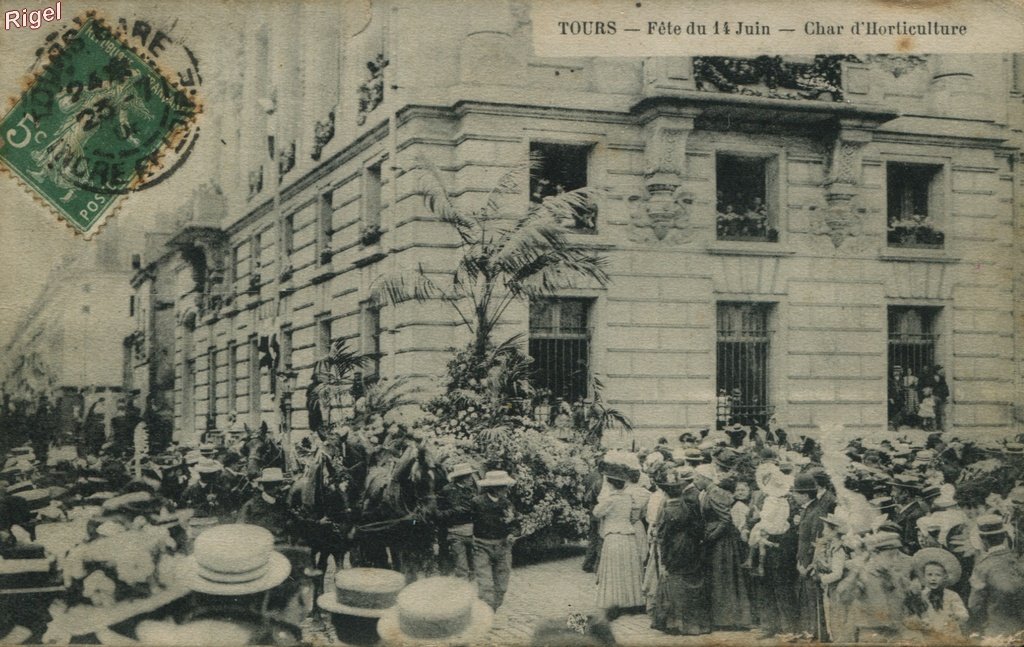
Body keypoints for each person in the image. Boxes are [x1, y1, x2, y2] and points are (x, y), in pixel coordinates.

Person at [651, 466, 710, 636]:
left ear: (666, 493)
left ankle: (677, 623)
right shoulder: (690, 506)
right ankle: (697, 623)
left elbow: (664, 537)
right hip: (690, 545)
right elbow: (699, 527)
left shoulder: (668, 511)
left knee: (675, 581)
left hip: (675, 548)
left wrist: (663, 560)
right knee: (692, 580)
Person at [593, 466, 644, 618]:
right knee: (628, 568)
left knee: (614, 568)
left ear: (611, 484)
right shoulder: (628, 497)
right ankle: (631, 601)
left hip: (614, 535)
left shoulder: (610, 499)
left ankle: (615, 602)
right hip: (628, 534)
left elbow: (596, 512)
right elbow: (636, 510)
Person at [703, 476, 752, 630]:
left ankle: (728, 618)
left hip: (724, 542)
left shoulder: (721, 497)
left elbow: (725, 519)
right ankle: (726, 617)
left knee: (725, 577)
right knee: (725, 577)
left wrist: (712, 535)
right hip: (724, 541)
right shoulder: (719, 495)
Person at [794, 470, 836, 641]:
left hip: (810, 562)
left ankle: (821, 634)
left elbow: (815, 540)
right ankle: (815, 631)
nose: (794, 496)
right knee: (808, 598)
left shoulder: (816, 511)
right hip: (803, 559)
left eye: (796, 493)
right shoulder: (808, 509)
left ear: (804, 495)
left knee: (815, 598)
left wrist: (809, 564)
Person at [968, 514, 1024, 637]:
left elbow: (974, 605)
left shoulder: (982, 568)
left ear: (983, 539)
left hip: (998, 631)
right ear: (1004, 536)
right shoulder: (1018, 560)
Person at [471, 470, 517, 611]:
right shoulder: (477, 502)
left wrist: (512, 534)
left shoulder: (507, 503)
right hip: (482, 546)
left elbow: (514, 524)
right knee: (485, 584)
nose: (506, 490)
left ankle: (493, 609)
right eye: (504, 487)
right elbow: (469, 522)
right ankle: (486, 612)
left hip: (503, 547)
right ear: (495, 488)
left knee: (502, 585)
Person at [903, 547, 968, 643]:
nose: (933, 579)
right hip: (929, 636)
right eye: (929, 575)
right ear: (924, 576)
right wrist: (919, 622)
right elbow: (913, 615)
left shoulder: (951, 595)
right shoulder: (921, 596)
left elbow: (963, 614)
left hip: (949, 635)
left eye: (938, 575)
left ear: (945, 577)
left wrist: (957, 616)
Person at [436, 462, 477, 580]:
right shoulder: (447, 490)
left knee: (474, 567)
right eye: (468, 476)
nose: (471, 479)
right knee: (461, 567)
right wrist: (454, 511)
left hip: (472, 532)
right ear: (462, 478)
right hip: (455, 533)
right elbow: (438, 513)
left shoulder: (471, 490)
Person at [238, 467, 297, 544]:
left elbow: (295, 523)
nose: (278, 488)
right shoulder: (250, 506)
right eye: (273, 485)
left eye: (279, 484)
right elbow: (240, 529)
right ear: (264, 486)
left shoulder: (283, 505)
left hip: (281, 545)